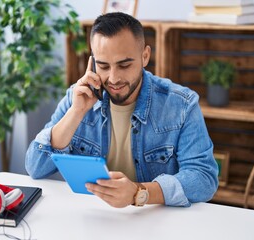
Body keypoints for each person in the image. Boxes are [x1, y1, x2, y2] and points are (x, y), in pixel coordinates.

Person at [25, 12, 218, 208]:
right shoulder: (77, 98)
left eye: (124, 65)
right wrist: (76, 112)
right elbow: (35, 167)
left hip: (154, 222)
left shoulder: (182, 104)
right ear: (92, 62)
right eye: (103, 66)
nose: (114, 78)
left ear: (145, 56)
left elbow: (204, 178)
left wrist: (138, 192)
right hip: (92, 218)